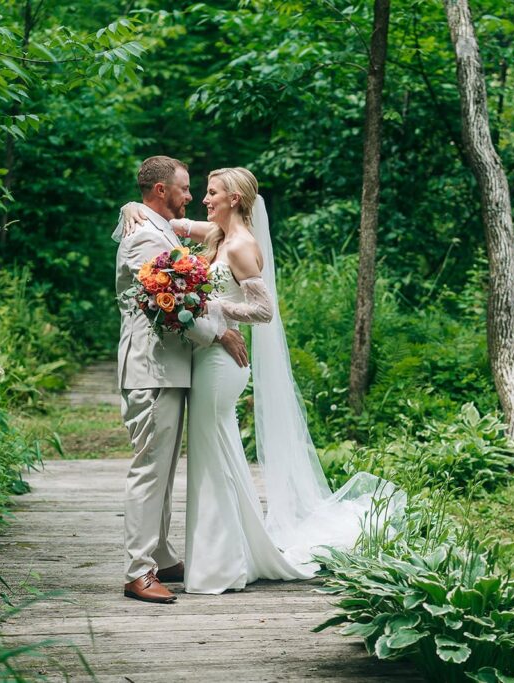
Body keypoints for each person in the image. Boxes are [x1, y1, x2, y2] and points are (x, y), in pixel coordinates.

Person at [119, 166, 400, 594]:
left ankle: (204, 558)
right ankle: (162, 562)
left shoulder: (238, 243)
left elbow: (262, 309)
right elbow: (163, 281)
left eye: (209, 192)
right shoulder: (199, 234)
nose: (199, 198)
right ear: (162, 190)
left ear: (234, 198)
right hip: (170, 364)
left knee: (207, 455)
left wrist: (219, 314)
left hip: (215, 363)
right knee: (191, 461)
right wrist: (131, 205)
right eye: (192, 189)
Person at [114, 156, 248, 604]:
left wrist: (127, 205)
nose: (190, 196)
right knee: (150, 470)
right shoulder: (144, 239)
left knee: (165, 468)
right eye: (184, 188)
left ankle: (163, 555)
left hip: (168, 367)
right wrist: (221, 331)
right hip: (150, 369)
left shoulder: (158, 226)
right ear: (159, 192)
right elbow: (174, 305)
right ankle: (138, 570)